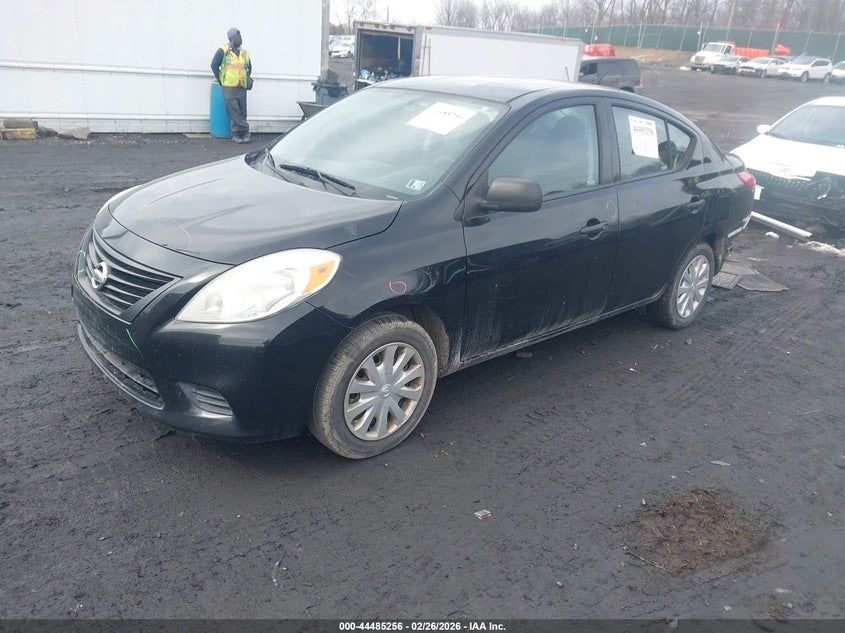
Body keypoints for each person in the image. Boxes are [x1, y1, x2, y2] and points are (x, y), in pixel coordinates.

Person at [211, 28, 252, 143]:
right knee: (234, 111)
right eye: (239, 36)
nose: (241, 38)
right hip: (229, 87)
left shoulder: (244, 53)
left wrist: (246, 79)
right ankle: (245, 131)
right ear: (233, 38)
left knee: (242, 112)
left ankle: (239, 135)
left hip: (241, 86)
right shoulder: (223, 50)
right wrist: (220, 79)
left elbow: (249, 67)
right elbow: (214, 65)